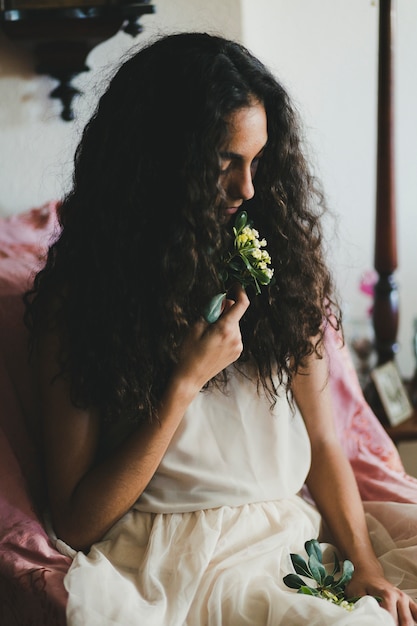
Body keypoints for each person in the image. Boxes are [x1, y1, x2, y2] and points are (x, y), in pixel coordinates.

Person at [25, 32, 417, 626]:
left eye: (258, 161)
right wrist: (184, 381)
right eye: (224, 163)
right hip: (173, 560)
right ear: (160, 163)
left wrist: (364, 563)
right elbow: (77, 520)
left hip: (291, 538)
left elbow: (325, 442)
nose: (248, 189)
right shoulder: (80, 302)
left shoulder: (282, 270)